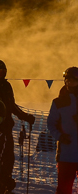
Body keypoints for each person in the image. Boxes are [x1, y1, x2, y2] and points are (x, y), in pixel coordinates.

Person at [0, 59, 35, 134]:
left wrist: (24, 116)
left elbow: (11, 104)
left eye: (1, 72)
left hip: (6, 125)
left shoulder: (6, 86)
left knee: (8, 145)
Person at [47, 66, 78, 194]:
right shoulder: (59, 102)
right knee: (64, 189)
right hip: (67, 153)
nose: (70, 83)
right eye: (67, 80)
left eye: (73, 81)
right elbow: (51, 123)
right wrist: (60, 136)